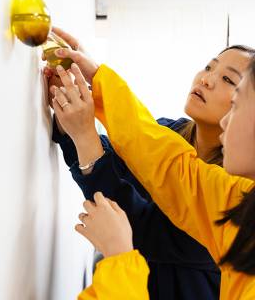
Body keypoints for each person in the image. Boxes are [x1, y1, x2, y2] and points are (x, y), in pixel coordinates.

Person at [44, 29, 254, 299]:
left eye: (236, 102)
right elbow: (157, 156)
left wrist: (120, 257)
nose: (207, 79)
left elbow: (146, 224)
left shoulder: (237, 206)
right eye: (208, 67)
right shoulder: (176, 138)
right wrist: (94, 85)